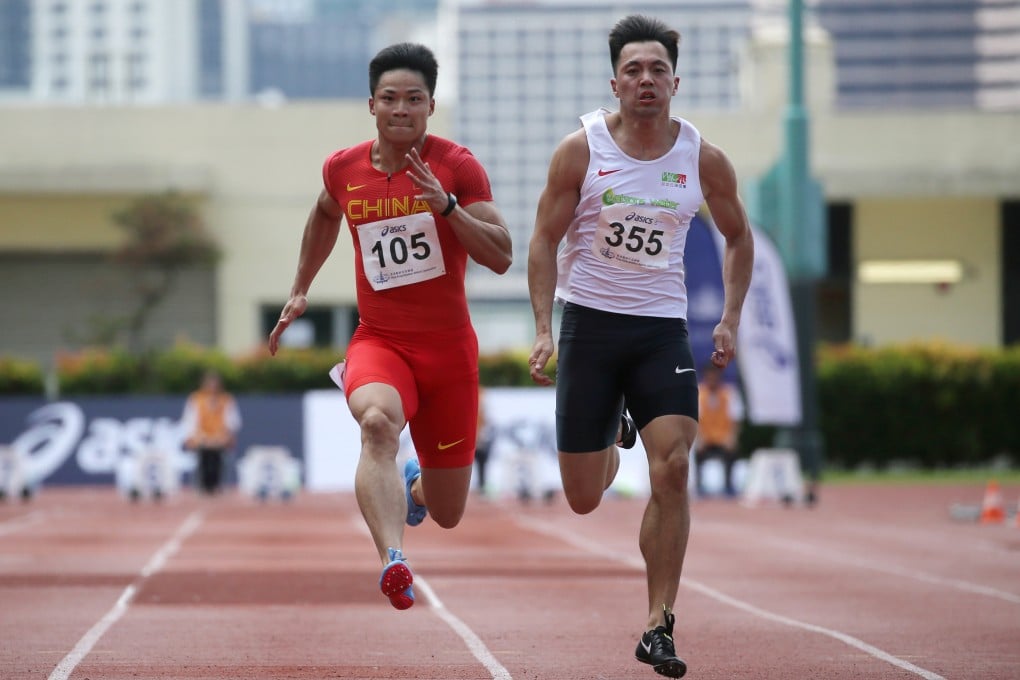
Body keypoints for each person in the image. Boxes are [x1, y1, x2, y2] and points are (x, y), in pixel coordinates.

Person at [527, 15, 754, 679]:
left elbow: (739, 237)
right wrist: (543, 328)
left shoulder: (703, 159)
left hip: (660, 329)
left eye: (658, 69)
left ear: (675, 82)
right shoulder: (580, 151)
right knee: (583, 496)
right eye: (634, 70)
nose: (646, 79)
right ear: (615, 84)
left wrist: (730, 318)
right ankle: (612, 429)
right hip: (590, 326)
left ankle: (659, 622)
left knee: (674, 467)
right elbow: (543, 240)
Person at [268, 43, 512, 611]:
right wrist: (300, 288)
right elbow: (325, 212)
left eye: (414, 99)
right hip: (381, 341)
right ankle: (393, 558)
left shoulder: (457, 166)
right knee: (377, 424)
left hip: (449, 352)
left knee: (448, 511)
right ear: (371, 104)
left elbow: (501, 255)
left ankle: (415, 488)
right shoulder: (343, 168)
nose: (401, 109)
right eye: (390, 98)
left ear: (430, 106)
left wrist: (447, 207)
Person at [181, 370, 241, 495]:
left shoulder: (226, 399)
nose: (212, 387)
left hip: (220, 438)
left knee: (217, 451)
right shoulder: (196, 399)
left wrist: (226, 436)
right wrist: (194, 437)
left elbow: (232, 422)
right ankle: (203, 484)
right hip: (201, 437)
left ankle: (216, 484)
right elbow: (189, 421)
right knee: (204, 451)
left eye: (215, 384)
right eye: (209, 384)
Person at [695, 362, 742, 498]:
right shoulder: (698, 394)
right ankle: (699, 486)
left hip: (723, 438)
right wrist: (699, 439)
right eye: (709, 376)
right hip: (706, 439)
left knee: (731, 451)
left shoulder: (729, 393)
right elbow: (696, 419)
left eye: (714, 376)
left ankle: (729, 485)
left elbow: (736, 419)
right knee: (697, 452)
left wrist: (731, 438)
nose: (712, 379)